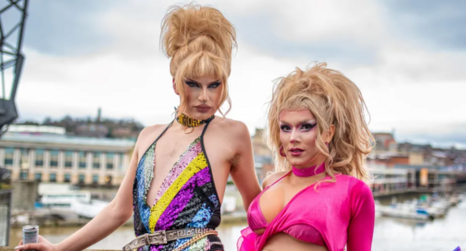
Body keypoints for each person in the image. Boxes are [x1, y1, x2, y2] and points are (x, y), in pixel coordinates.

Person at [16, 4, 261, 251]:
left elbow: (258, 211)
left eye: (214, 85)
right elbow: (117, 210)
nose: (205, 97)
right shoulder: (148, 136)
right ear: (176, 84)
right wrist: (59, 248)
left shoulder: (233, 134)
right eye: (194, 84)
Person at [238, 63, 375, 251]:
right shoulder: (271, 182)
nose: (293, 138)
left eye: (305, 126)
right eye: (286, 128)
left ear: (328, 133)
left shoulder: (354, 192)